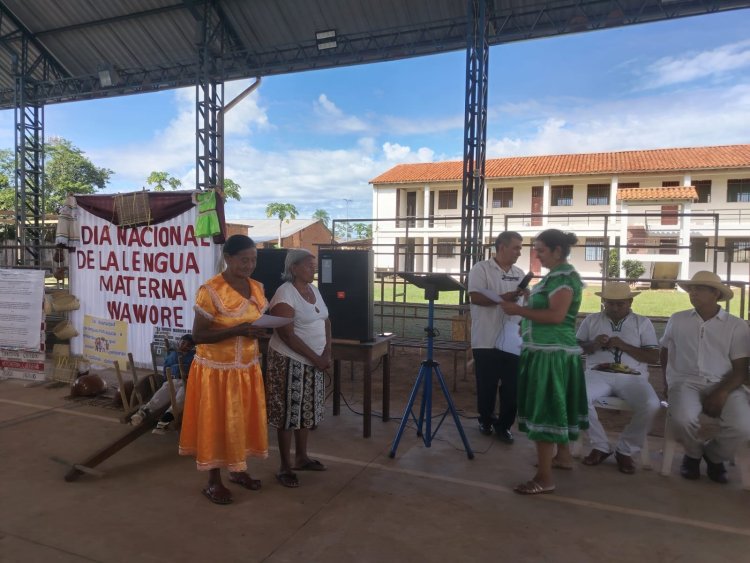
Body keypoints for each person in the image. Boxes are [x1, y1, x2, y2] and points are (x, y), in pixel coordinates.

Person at [178, 234, 269, 504]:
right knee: (216, 423)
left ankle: (238, 469)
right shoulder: (211, 290)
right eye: (244, 260)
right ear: (228, 259)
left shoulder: (257, 287)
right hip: (217, 372)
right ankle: (213, 481)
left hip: (247, 368)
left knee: (240, 421)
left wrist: (259, 332)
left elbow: (258, 322)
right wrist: (239, 330)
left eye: (253, 260)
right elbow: (199, 336)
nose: (249, 265)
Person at [498, 229, 588, 495]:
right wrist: (527, 315)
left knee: (546, 408)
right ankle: (563, 456)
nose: (535, 254)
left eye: (540, 249)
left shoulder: (563, 279)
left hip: (551, 354)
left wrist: (518, 311)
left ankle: (544, 477)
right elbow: (546, 312)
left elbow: (557, 316)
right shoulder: (557, 277)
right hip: (549, 349)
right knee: (556, 405)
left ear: (557, 251)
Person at [660, 270, 750, 484]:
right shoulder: (678, 319)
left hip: (726, 383)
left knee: (743, 427)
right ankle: (693, 454)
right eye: (691, 288)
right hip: (685, 382)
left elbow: (741, 370)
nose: (692, 292)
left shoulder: (736, 326)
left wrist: (721, 392)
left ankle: (714, 455)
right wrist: (667, 381)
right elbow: (664, 349)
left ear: (715, 294)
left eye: (699, 288)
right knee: (682, 419)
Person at [576, 282, 660, 474]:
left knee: (652, 404)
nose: (614, 308)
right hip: (597, 373)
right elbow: (578, 348)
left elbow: (653, 357)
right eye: (610, 303)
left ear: (630, 302)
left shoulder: (642, 322)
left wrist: (625, 346)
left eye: (620, 304)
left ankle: (626, 449)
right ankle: (600, 446)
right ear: (603, 301)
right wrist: (594, 344)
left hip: (632, 376)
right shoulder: (592, 320)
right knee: (577, 395)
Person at [266, 248, 332, 488]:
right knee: (287, 414)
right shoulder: (284, 294)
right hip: (288, 361)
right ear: (293, 268)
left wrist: (326, 352)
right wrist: (317, 359)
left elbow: (325, 320)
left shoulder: (314, 290)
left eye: (313, 265)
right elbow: (287, 335)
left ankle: (301, 457)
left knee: (305, 411)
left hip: (314, 361)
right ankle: (284, 466)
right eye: (308, 265)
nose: (313, 268)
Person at [467, 231, 525, 443]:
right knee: (487, 385)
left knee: (512, 387)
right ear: (501, 247)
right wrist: (503, 299)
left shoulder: (519, 273)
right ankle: (486, 420)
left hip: (513, 340)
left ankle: (505, 426)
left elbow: (524, 305)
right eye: (516, 247)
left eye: (520, 248)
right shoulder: (481, 269)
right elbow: (475, 296)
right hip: (486, 338)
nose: (519, 251)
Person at [130, 334, 196, 434]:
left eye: (188, 345)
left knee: (178, 402)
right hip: (171, 380)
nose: (185, 346)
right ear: (179, 342)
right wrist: (165, 380)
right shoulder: (172, 355)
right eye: (183, 342)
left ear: (191, 347)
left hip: (186, 382)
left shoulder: (193, 356)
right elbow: (165, 369)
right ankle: (141, 413)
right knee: (159, 397)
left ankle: (161, 425)